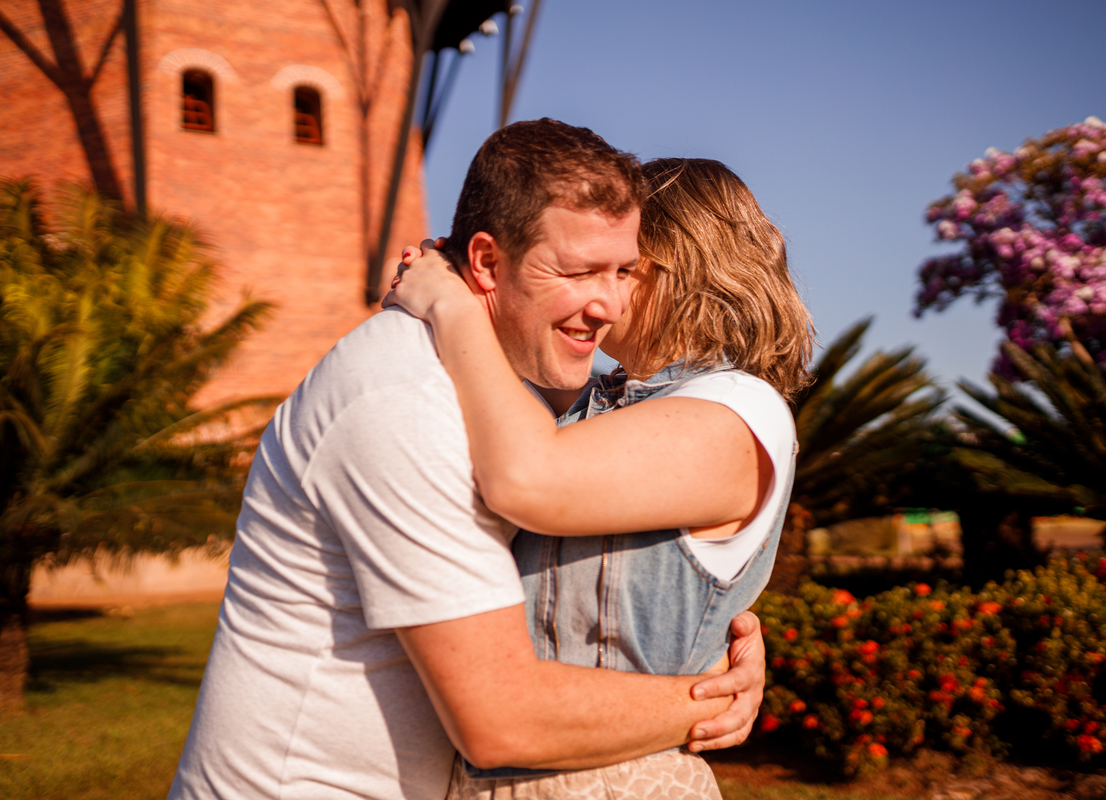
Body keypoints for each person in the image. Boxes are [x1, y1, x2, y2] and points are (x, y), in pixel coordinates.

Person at [166, 121, 766, 800]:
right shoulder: (405, 398)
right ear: (485, 262)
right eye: (577, 272)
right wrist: (714, 697)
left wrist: (713, 625)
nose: (608, 305)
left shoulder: (498, 389)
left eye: (624, 271)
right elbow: (502, 719)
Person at [385, 157, 814, 799]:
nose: (597, 292)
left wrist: (451, 307)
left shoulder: (740, 410)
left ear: (680, 268)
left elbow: (530, 480)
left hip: (615, 781)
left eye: (620, 268)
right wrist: (479, 285)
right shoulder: (596, 402)